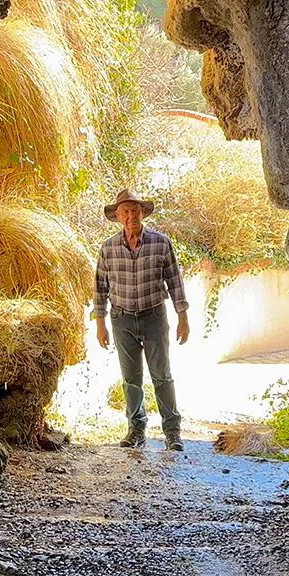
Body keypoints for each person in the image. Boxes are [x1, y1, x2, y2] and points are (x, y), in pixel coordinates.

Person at [93, 188, 190, 451]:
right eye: (126, 211)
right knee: (131, 379)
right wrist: (100, 323)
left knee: (162, 376)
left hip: (154, 317)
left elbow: (174, 281)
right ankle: (136, 431)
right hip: (122, 319)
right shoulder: (108, 248)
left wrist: (183, 316)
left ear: (142, 213)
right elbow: (101, 287)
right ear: (118, 215)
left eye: (135, 210)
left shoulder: (161, 243)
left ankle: (172, 432)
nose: (131, 215)